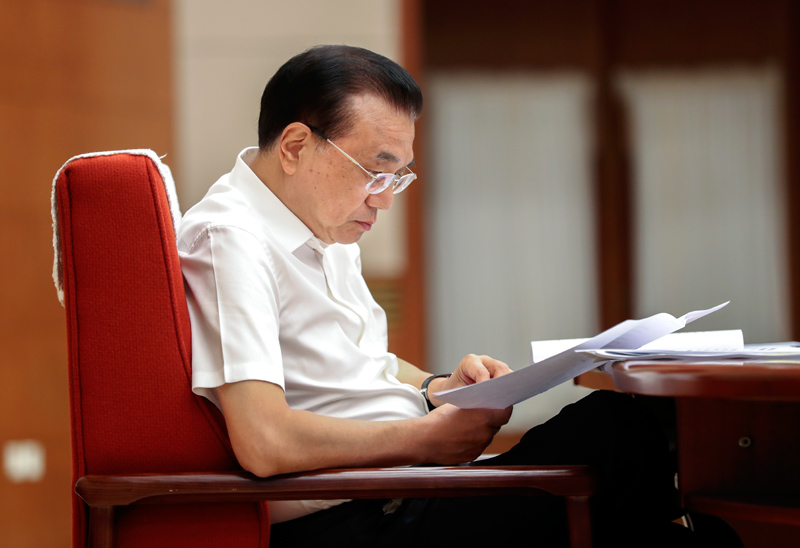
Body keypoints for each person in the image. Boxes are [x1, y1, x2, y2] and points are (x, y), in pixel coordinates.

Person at [178, 44, 703, 547]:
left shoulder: (320, 225)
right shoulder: (231, 239)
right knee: (615, 428)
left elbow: (365, 365)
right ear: (296, 146)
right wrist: (425, 439)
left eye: (396, 177)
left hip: (402, 492)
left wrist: (438, 388)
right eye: (374, 172)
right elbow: (264, 441)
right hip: (354, 521)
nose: (384, 201)